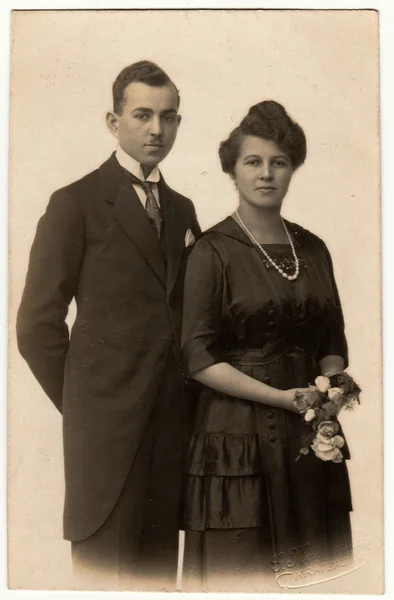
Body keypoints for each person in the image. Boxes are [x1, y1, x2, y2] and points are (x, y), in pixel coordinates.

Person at [16, 60, 201, 590]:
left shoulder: (185, 210)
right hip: (106, 442)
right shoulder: (74, 203)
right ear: (112, 121)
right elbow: (36, 327)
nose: (155, 130)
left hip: (169, 436)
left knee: (159, 581)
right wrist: (88, 405)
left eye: (168, 117)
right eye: (142, 115)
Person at [180, 100, 353, 592]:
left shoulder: (313, 247)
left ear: (293, 167)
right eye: (252, 162)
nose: (266, 174)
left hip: (308, 431)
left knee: (318, 571)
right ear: (231, 170)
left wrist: (334, 385)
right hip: (236, 438)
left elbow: (332, 343)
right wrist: (280, 398)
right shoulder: (211, 250)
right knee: (245, 573)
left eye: (278, 162)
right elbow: (197, 359)